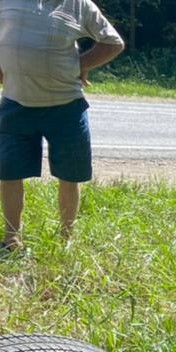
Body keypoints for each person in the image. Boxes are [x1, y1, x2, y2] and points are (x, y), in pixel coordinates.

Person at [0, 0, 124, 250]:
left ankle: (66, 238)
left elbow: (113, 43)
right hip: (16, 103)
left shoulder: (80, 5)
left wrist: (80, 64)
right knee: (8, 173)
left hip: (66, 107)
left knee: (70, 175)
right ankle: (11, 237)